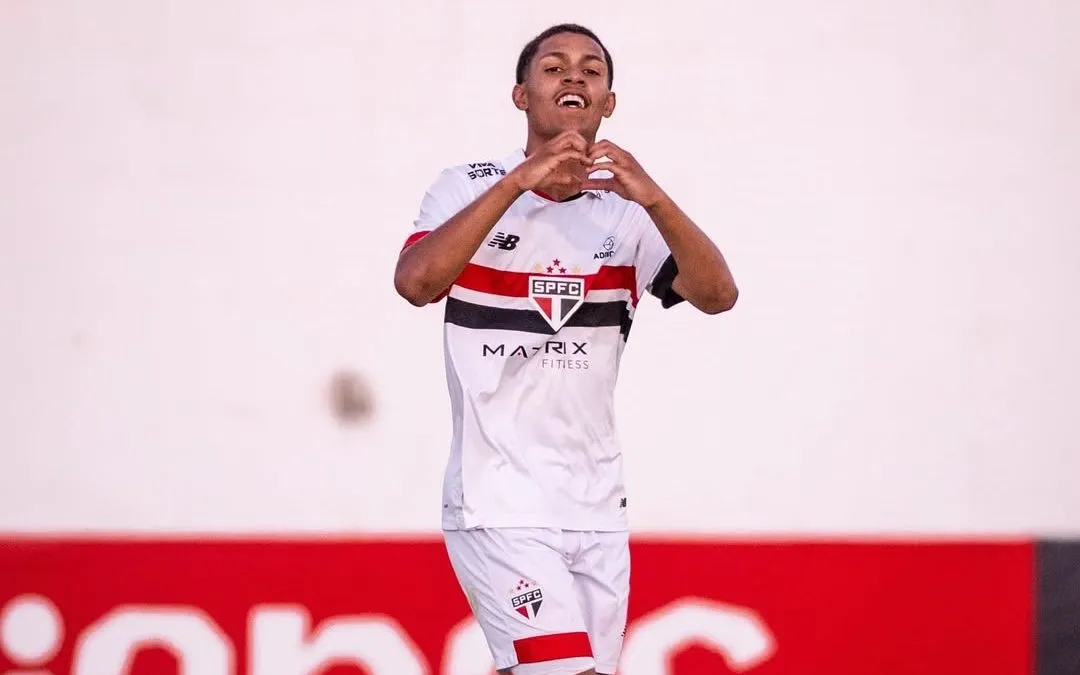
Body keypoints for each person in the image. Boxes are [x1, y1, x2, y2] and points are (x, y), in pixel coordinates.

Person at [394, 23, 738, 675]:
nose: (574, 76)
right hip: (499, 499)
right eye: (553, 67)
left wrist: (657, 198)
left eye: (592, 70)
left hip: (597, 504)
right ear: (521, 95)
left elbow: (718, 294)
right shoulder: (467, 187)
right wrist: (517, 184)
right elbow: (417, 283)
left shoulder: (629, 213)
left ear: (609, 102)